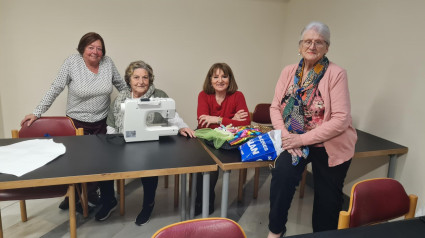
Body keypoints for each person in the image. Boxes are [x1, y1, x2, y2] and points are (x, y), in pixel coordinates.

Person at [267, 22, 357, 237]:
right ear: (300, 46)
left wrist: (302, 139)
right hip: (294, 139)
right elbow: (274, 107)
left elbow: (341, 120)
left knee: (328, 198)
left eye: (319, 42)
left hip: (329, 143)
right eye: (308, 41)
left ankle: (323, 234)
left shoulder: (336, 73)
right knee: (282, 175)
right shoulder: (289, 71)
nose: (313, 46)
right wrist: (287, 136)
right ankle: (275, 231)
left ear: (327, 47)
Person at [20, 32, 128, 212]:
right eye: (91, 47)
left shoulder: (108, 63)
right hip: (76, 122)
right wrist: (37, 112)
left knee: (101, 162)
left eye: (99, 48)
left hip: (102, 120)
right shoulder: (72, 62)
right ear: (82, 48)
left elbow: (122, 85)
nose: (95, 52)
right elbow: (56, 87)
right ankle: (78, 197)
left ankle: (87, 197)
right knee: (79, 163)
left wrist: (133, 102)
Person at [97, 60, 195, 224]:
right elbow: (111, 125)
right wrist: (112, 146)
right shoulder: (120, 99)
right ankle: (109, 201)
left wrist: (182, 127)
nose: (141, 82)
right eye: (136, 77)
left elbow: (173, 117)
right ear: (129, 79)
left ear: (150, 79)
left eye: (145, 77)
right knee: (104, 164)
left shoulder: (160, 95)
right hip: (124, 143)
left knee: (150, 166)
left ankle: (148, 204)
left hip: (150, 144)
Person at [195, 62, 251, 216]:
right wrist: (232, 118)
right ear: (210, 80)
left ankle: (205, 200)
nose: (220, 80)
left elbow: (246, 123)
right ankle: (200, 200)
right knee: (204, 164)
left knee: (214, 163)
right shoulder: (203, 95)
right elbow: (203, 123)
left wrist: (218, 119)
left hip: (227, 141)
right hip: (206, 138)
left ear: (230, 79)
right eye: (216, 77)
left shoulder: (237, 96)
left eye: (224, 76)